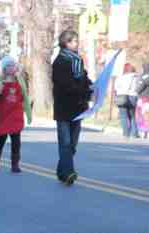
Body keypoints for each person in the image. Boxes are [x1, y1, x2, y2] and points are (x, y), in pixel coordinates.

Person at [52, 30, 93, 186]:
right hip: (64, 108)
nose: (77, 44)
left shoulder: (77, 60)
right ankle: (69, 172)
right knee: (65, 142)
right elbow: (66, 85)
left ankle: (61, 170)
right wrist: (85, 90)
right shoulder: (60, 62)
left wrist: (92, 86)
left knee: (73, 144)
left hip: (78, 108)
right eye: (74, 41)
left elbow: (83, 77)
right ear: (66, 43)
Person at [0, 56, 32, 173]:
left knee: (16, 141)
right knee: (0, 140)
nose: (12, 68)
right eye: (9, 66)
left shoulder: (19, 80)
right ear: (3, 68)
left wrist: (28, 113)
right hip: (2, 115)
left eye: (13, 66)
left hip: (15, 114)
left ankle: (15, 164)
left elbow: (25, 97)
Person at [114, 63, 139, 138]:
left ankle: (126, 133)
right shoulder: (137, 77)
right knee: (133, 116)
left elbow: (116, 88)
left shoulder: (121, 77)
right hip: (133, 96)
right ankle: (134, 133)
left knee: (123, 115)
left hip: (122, 96)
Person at [135, 63, 149, 138]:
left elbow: (139, 88)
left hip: (142, 98)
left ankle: (141, 130)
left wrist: (136, 90)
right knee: (148, 114)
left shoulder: (142, 77)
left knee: (140, 114)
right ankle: (147, 130)